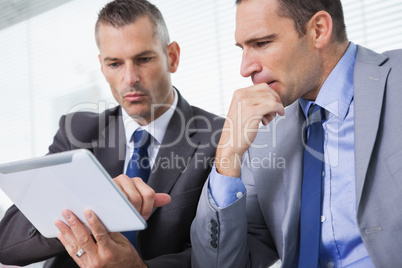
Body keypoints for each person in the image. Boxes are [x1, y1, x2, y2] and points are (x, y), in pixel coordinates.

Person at [0, 0, 223, 267]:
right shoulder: (77, 132)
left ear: (172, 57)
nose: (130, 78)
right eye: (115, 63)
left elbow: (224, 252)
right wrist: (92, 205)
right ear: (102, 66)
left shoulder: (220, 137)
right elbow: (7, 243)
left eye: (143, 59)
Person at [191, 0, 402, 267]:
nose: (245, 69)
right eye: (242, 48)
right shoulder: (262, 133)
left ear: (318, 30)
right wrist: (228, 156)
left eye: (262, 43)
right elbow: (219, 263)